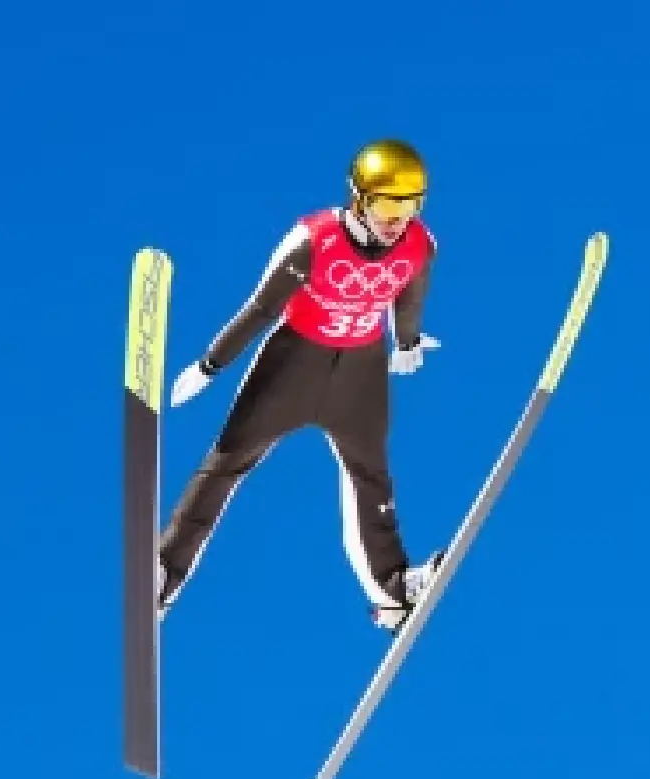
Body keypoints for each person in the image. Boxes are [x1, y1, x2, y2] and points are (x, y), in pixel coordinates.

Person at [157, 138, 445, 631]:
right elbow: (262, 308)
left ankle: (394, 589)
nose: (397, 219)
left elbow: (409, 298)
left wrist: (409, 343)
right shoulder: (314, 240)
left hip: (361, 368)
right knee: (228, 462)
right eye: (385, 204)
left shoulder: (419, 245)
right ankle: (165, 573)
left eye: (409, 205)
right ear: (359, 198)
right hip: (295, 361)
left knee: (371, 475)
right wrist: (210, 365)